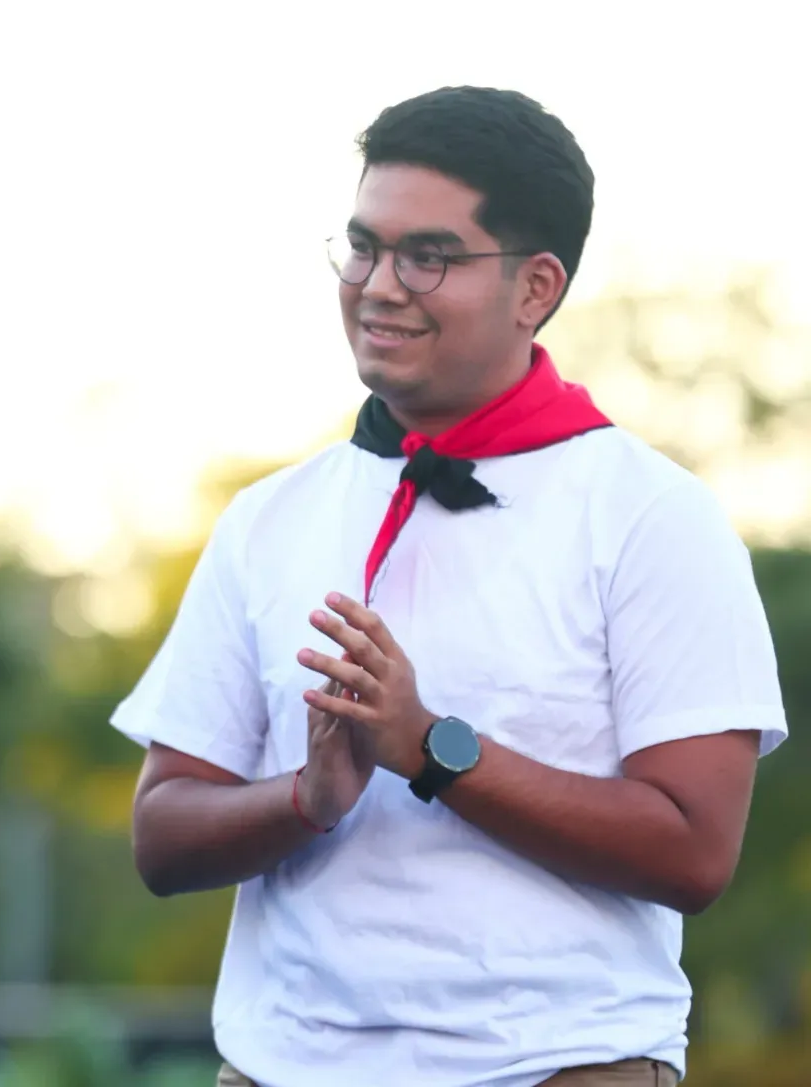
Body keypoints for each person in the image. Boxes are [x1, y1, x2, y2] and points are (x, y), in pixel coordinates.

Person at [111, 86, 787, 1087]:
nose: (378, 284)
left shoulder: (651, 515)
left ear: (534, 286)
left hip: (556, 1067)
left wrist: (429, 748)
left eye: (428, 254)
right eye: (361, 246)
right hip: (277, 1067)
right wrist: (307, 794)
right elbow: (163, 834)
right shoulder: (267, 517)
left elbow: (693, 852)